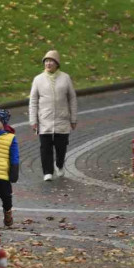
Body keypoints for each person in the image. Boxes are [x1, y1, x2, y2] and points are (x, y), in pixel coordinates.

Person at [29, 50, 78, 181]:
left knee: (61, 147)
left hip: (62, 120)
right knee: (45, 147)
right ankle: (47, 172)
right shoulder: (38, 79)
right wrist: (33, 120)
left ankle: (59, 165)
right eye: (46, 61)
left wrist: (73, 119)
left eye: (51, 61)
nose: (48, 63)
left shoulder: (65, 78)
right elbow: (33, 101)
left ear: (57, 64)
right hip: (44, 120)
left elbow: (72, 98)